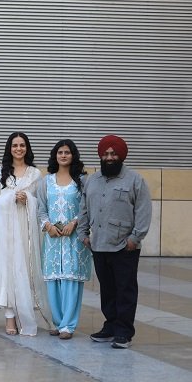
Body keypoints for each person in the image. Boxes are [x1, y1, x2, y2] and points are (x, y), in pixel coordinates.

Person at [77, 135, 152, 349]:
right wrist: (83, 234)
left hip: (124, 247)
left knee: (125, 290)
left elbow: (143, 211)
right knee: (107, 289)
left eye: (113, 153)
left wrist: (134, 239)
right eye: (106, 154)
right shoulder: (91, 180)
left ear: (121, 155)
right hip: (99, 244)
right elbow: (84, 208)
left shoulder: (135, 180)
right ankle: (110, 326)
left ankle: (124, 332)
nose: (109, 157)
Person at [0, 132, 50, 336]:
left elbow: (40, 201)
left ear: (27, 148)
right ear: (9, 148)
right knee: (7, 268)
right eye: (15, 145)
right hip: (5, 227)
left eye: (22, 145)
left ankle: (24, 309)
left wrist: (27, 198)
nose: (18, 149)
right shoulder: (0, 172)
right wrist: (9, 197)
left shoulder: (35, 174)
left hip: (25, 226)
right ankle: (9, 316)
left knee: (24, 267)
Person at [37, 139, 91, 340]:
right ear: (55, 156)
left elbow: (87, 207)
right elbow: (41, 208)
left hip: (74, 240)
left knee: (71, 279)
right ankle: (57, 323)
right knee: (53, 280)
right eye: (60, 152)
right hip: (52, 239)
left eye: (67, 152)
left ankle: (68, 325)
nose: (63, 155)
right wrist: (48, 226)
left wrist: (75, 222)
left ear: (73, 155)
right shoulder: (46, 181)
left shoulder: (82, 181)